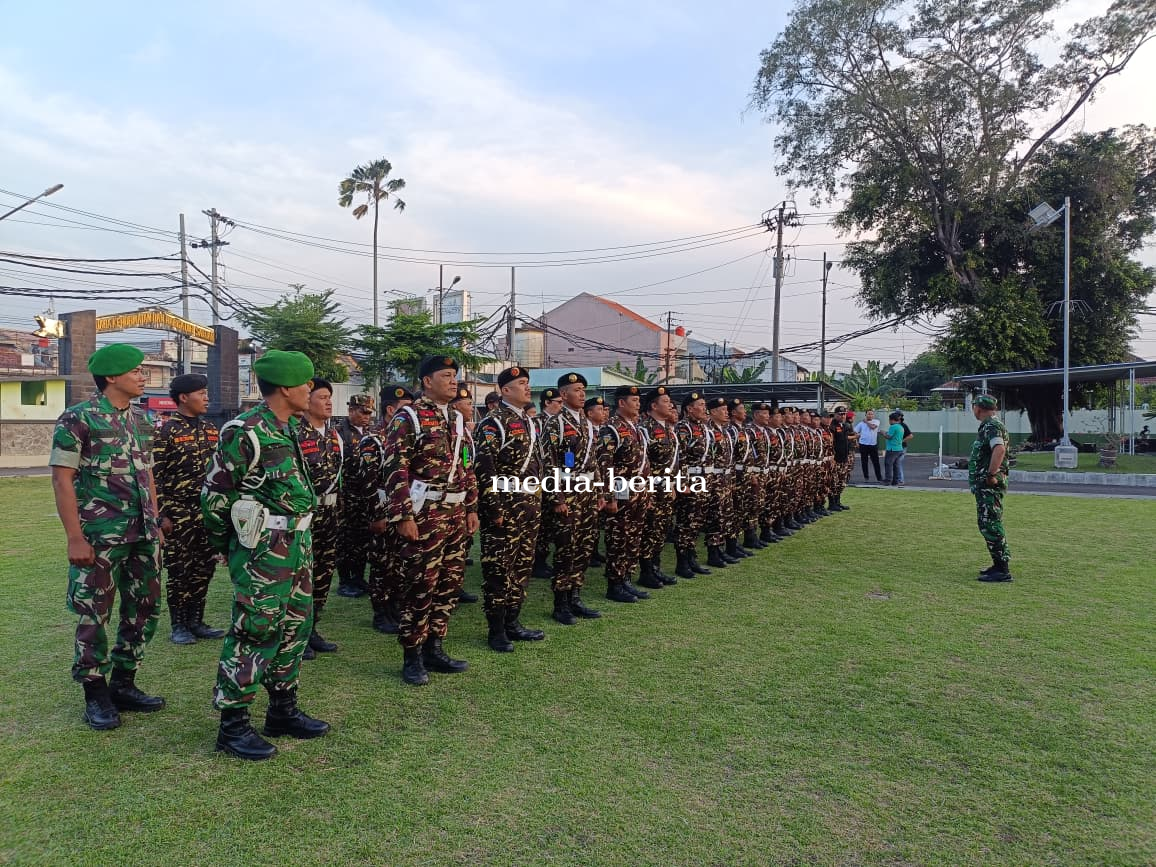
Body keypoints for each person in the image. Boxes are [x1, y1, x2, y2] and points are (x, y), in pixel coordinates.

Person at [202, 350, 329, 760]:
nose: (311, 389)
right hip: (262, 549)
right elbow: (215, 497)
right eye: (307, 383)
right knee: (255, 629)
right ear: (287, 388)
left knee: (295, 626)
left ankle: (282, 710)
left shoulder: (288, 426)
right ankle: (233, 725)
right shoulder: (245, 430)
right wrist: (232, 548)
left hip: (297, 545)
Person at [50, 344, 166, 731]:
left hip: (142, 534)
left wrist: (154, 522)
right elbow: (62, 479)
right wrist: (74, 538)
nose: (143, 376)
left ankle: (124, 683)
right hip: (99, 536)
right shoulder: (78, 419)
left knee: (145, 606)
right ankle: (95, 692)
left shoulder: (142, 420)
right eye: (136, 370)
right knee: (93, 613)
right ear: (112, 377)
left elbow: (147, 475)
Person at [381, 355, 480, 686]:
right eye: (446, 375)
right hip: (425, 515)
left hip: (454, 514)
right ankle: (412, 655)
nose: (454, 381)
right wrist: (402, 515)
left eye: (455, 376)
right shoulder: (409, 418)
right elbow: (395, 468)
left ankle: (435, 647)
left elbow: (465, 466)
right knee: (420, 585)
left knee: (449, 584)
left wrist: (471, 508)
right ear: (427, 381)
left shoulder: (456, 419)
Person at [474, 366, 545, 652]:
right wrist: (495, 510)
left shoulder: (529, 422)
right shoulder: (493, 423)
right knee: (500, 569)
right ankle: (496, 629)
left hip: (529, 506)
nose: (527, 388)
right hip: (505, 509)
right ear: (505, 390)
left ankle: (513, 622)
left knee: (522, 567)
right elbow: (485, 470)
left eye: (528, 383)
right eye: (521, 383)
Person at [153, 372, 223, 646]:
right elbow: (155, 476)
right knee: (180, 571)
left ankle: (197, 621)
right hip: (178, 514)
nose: (206, 397)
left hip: (205, 513)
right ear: (184, 397)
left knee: (204, 569)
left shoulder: (210, 430)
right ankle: (179, 624)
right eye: (201, 393)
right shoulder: (167, 431)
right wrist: (162, 515)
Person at [540, 373, 606, 624]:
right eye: (576, 390)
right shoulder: (556, 423)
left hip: (588, 492)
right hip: (568, 492)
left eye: (583, 390)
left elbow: (594, 462)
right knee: (566, 548)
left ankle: (575, 596)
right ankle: (561, 603)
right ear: (564, 394)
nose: (582, 394)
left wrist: (600, 491)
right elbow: (549, 462)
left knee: (584, 546)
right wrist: (557, 498)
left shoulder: (587, 423)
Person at [297, 378, 343, 660]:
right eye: (322, 396)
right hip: (305, 515)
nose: (328, 402)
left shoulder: (333, 436)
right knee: (300, 577)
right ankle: (297, 635)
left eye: (330, 397)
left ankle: (312, 629)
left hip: (330, 515)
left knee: (323, 575)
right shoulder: (294, 433)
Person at [362, 384, 415, 634]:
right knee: (383, 565)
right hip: (384, 509)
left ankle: (395, 607)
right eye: (405, 409)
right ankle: (381, 613)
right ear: (390, 409)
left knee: (400, 563)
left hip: (403, 509)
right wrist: (378, 514)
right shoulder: (373, 439)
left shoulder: (408, 435)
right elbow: (369, 482)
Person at [601, 385, 654, 600]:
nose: (638, 403)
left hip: (638, 491)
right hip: (622, 490)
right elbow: (605, 464)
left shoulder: (636, 428)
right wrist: (610, 496)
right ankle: (615, 584)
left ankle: (627, 579)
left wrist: (647, 493)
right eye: (634, 400)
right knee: (618, 537)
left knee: (633, 537)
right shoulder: (611, 428)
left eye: (639, 400)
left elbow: (645, 463)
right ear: (621, 403)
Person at [335, 394, 376, 598]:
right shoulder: (339, 434)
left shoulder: (371, 433)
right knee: (345, 540)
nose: (367, 416)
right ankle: (345, 581)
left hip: (365, 496)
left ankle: (359, 577)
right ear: (351, 410)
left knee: (362, 539)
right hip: (346, 496)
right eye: (363, 412)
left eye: (369, 413)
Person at [969, 395, 1013, 581]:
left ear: (978, 408)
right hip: (985, 485)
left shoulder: (992, 426)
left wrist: (990, 475)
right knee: (987, 522)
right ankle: (997, 565)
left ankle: (1002, 570)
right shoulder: (990, 425)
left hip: (990, 485)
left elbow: (999, 449)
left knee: (991, 523)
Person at [639, 386, 679, 585]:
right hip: (651, 488)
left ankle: (656, 567)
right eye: (665, 402)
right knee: (650, 529)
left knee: (661, 529)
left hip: (665, 487)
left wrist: (673, 484)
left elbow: (673, 462)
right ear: (653, 406)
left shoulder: (668, 430)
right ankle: (646, 571)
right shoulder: (645, 428)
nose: (670, 404)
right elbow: (642, 462)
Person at [673, 391, 714, 579]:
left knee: (696, 522)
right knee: (685, 522)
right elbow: (678, 458)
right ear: (689, 409)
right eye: (701, 405)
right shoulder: (683, 428)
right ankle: (682, 562)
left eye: (705, 405)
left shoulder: (703, 428)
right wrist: (682, 483)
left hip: (702, 480)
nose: (704, 408)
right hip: (689, 480)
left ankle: (691, 558)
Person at [532, 387, 563, 580]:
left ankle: (544, 559)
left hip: (557, 478)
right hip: (541, 479)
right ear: (547, 403)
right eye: (558, 402)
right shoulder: (537, 423)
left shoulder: (561, 423)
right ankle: (538, 562)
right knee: (542, 524)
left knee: (551, 523)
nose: (561, 406)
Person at [827, 406, 852, 511]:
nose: (843, 416)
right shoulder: (832, 426)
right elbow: (831, 443)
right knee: (834, 482)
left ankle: (838, 501)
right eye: (841, 414)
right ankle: (832, 503)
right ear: (836, 414)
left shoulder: (845, 425)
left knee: (841, 482)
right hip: (836, 459)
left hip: (844, 458)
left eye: (844, 414)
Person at [854, 409, 884, 482]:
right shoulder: (861, 423)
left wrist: (866, 422)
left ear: (873, 415)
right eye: (868, 414)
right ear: (865, 415)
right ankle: (866, 477)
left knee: (876, 462)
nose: (870, 415)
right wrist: (856, 441)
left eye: (871, 414)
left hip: (873, 445)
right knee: (864, 462)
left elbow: (873, 427)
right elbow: (855, 432)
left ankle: (879, 478)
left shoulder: (876, 421)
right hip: (863, 445)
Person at [882, 411, 905, 486]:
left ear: (891, 420)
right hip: (899, 448)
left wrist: (883, 433)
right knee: (896, 465)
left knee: (888, 464)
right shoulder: (900, 427)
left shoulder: (893, 427)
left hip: (892, 449)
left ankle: (888, 480)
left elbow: (889, 436)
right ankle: (896, 481)